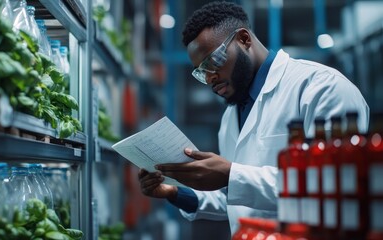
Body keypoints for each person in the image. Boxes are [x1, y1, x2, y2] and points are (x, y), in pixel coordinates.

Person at [138, 1, 369, 235]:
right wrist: (175, 192)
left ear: (244, 39)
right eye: (201, 71)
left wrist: (230, 174)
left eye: (213, 62)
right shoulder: (232, 113)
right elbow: (239, 200)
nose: (209, 78)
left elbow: (334, 186)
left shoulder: (321, 88)